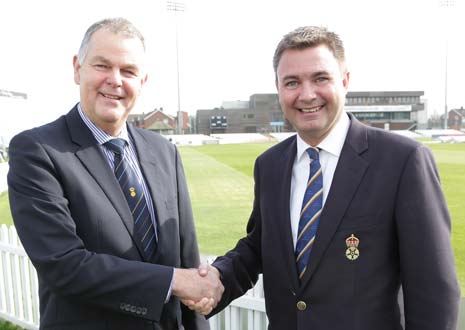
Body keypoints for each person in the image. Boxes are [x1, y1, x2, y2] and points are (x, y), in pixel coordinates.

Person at [188, 26, 461, 329]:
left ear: (344, 81)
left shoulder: (402, 160)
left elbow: (433, 291)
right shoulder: (270, 165)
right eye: (292, 82)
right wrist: (218, 277)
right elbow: (258, 246)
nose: (307, 94)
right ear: (278, 88)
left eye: (320, 78)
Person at [7, 17, 222, 330]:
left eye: (129, 71)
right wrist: (174, 281)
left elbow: (187, 260)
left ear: (143, 81)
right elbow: (65, 266)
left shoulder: (164, 151)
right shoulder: (37, 150)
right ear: (77, 68)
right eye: (102, 66)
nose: (115, 80)